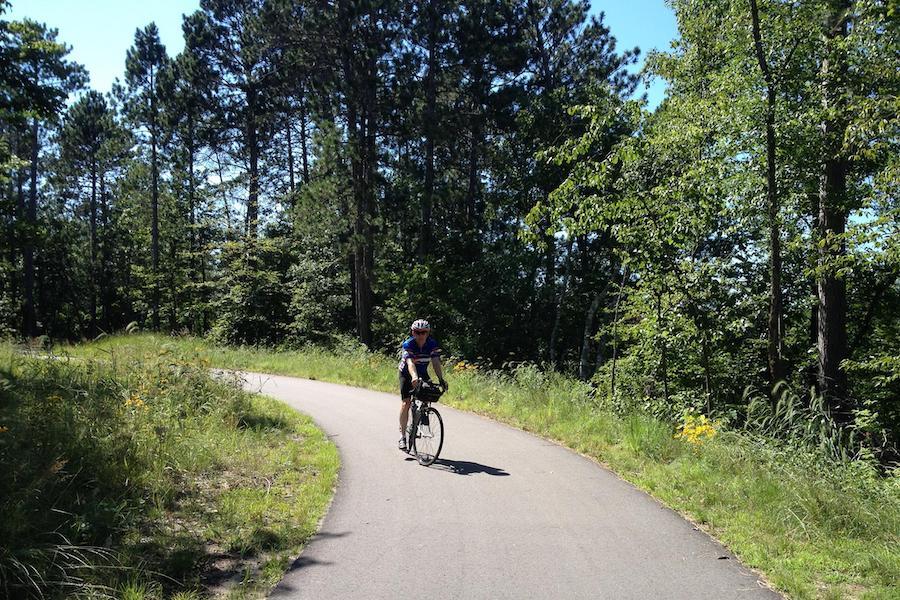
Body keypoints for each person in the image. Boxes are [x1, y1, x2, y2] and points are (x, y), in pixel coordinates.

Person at [398, 319, 447, 451]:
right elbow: (410, 363)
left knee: (428, 393)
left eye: (423, 332)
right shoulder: (409, 344)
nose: (420, 335)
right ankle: (402, 437)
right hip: (407, 373)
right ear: (413, 333)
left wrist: (441, 379)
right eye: (417, 332)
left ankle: (422, 414)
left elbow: (436, 362)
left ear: (428, 333)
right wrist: (414, 377)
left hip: (422, 371)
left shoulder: (431, 344)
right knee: (406, 403)